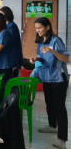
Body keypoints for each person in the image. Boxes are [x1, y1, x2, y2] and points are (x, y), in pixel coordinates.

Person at [30, 17, 69, 149]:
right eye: (36, 28)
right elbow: (43, 58)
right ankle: (52, 126)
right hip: (46, 76)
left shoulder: (56, 41)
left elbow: (66, 58)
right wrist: (36, 58)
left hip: (59, 78)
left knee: (60, 108)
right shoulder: (41, 41)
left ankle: (62, 140)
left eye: (40, 28)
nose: (38, 30)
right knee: (50, 104)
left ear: (47, 27)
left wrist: (52, 51)